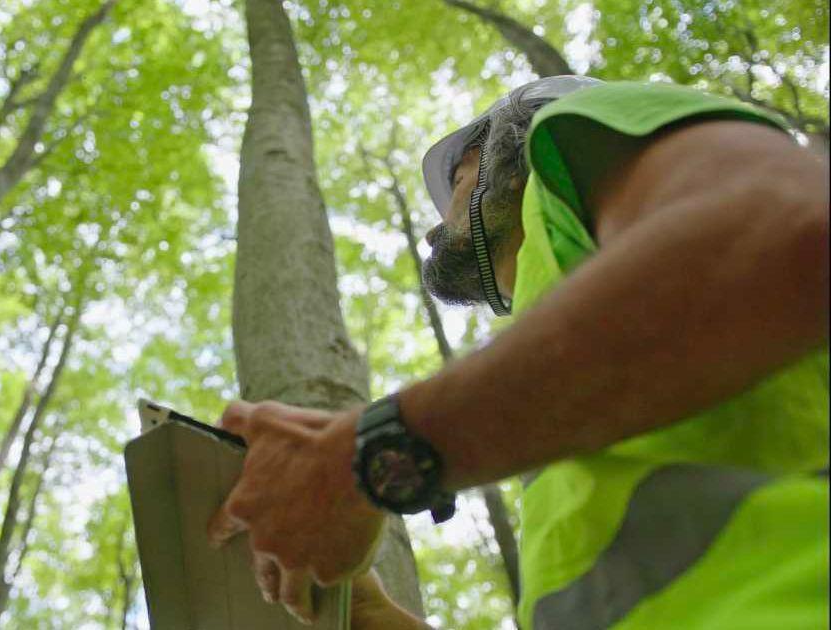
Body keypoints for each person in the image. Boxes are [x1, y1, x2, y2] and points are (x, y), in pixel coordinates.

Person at [207, 76, 830, 629]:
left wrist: (375, 452)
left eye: (452, 184)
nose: (431, 229)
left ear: (491, 159)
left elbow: (790, 227)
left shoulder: (574, 128)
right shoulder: (567, 383)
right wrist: (373, 619)